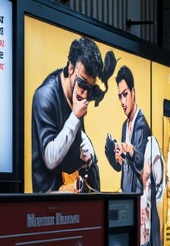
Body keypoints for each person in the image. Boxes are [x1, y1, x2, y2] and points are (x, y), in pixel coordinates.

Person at [31, 35, 117, 193]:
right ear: (70, 68)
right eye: (82, 84)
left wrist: (85, 145)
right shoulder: (45, 97)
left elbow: (72, 132)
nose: (84, 95)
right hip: (49, 202)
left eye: (89, 88)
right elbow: (50, 158)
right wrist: (75, 117)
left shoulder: (76, 91)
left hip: (73, 195)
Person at [105, 65, 150, 195]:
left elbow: (143, 167)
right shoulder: (125, 125)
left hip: (139, 198)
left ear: (133, 92)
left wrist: (130, 151)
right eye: (120, 96)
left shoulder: (141, 124)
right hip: (126, 195)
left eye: (125, 94)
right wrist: (117, 156)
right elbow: (122, 167)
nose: (123, 102)